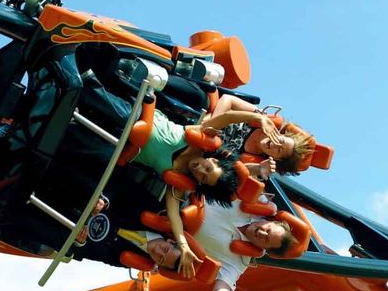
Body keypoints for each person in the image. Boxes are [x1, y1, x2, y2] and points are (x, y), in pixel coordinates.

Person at [76, 72, 282, 278]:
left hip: (119, 143)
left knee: (90, 151)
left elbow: (173, 214)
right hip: (135, 115)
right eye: (207, 168)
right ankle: (80, 77)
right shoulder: (203, 136)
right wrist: (258, 117)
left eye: (202, 177)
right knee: (108, 108)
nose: (199, 170)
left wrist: (183, 245)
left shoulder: (181, 181)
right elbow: (227, 116)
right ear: (214, 160)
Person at [193, 197, 297, 291]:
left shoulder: (238, 261)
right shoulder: (254, 201)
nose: (262, 234)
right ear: (269, 221)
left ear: (264, 249)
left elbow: (221, 289)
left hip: (171, 224)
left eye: (266, 240)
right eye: (268, 229)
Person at [212, 94, 315, 176]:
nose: (276, 145)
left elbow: (227, 171)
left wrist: (256, 169)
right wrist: (212, 124)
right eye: (281, 141)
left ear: (276, 158)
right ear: (281, 134)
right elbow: (228, 99)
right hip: (208, 113)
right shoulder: (260, 117)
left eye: (279, 150)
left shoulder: (251, 160)